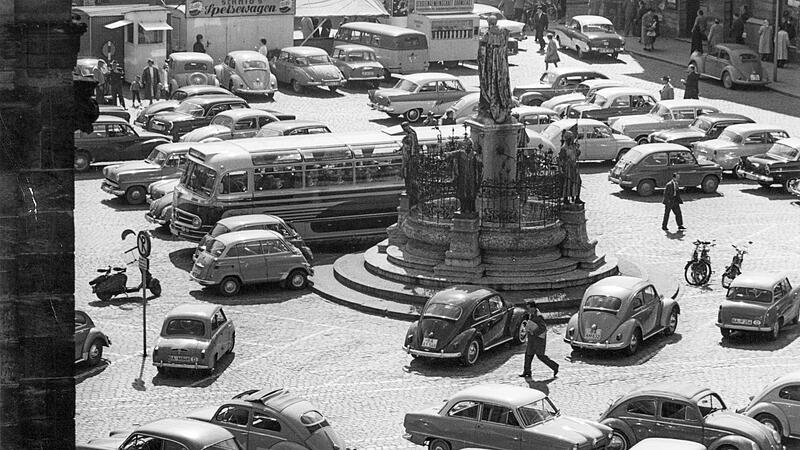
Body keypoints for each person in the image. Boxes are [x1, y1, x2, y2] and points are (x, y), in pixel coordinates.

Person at [477, 16, 512, 124]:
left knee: (489, 85)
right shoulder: (504, 32)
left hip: (490, 65)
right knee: (501, 84)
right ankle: (502, 104)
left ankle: (491, 104)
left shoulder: (487, 34)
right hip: (501, 65)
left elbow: (482, 52)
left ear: (489, 23)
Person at [519, 302, 559, 379]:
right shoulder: (532, 315)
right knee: (528, 355)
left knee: (540, 356)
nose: (528, 310)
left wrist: (533, 332)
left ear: (533, 308)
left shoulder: (538, 316)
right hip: (532, 339)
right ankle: (527, 371)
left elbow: (543, 328)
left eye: (529, 308)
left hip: (538, 340)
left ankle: (554, 366)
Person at [558, 130, 582, 204]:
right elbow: (561, 159)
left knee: (578, 181)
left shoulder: (573, 146)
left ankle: (577, 197)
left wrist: (578, 150)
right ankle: (565, 198)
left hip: (574, 167)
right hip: (567, 168)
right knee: (567, 183)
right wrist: (561, 168)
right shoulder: (564, 148)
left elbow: (577, 154)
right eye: (570, 138)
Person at [400, 122, 419, 205]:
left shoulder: (412, 135)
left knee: (409, 177)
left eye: (404, 127)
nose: (404, 129)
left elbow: (413, 147)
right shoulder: (410, 135)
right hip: (407, 159)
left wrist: (411, 156)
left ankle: (411, 194)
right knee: (406, 176)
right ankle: (409, 191)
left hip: (410, 160)